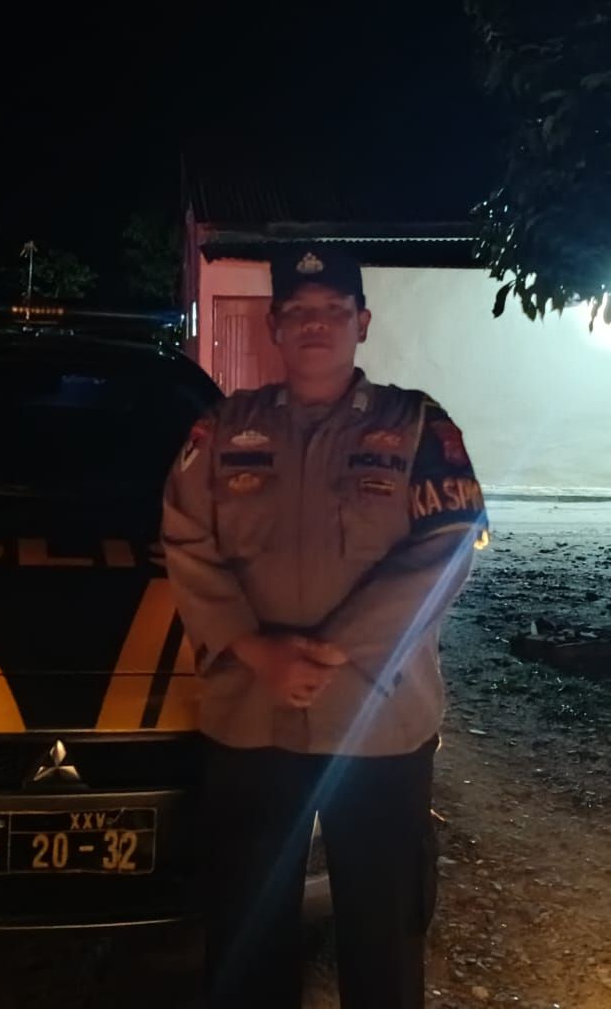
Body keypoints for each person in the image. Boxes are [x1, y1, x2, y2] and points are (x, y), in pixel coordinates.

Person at [162, 247, 488, 1009]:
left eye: (333, 311)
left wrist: (332, 649)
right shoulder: (223, 430)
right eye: (299, 311)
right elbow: (184, 538)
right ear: (274, 325)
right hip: (252, 721)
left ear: (362, 323)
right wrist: (256, 649)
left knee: (383, 938)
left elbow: (448, 547)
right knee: (247, 939)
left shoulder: (417, 427)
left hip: (378, 727)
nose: (316, 325)